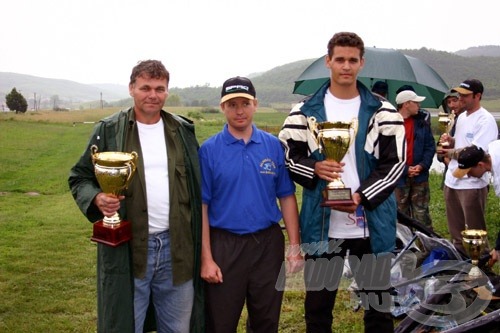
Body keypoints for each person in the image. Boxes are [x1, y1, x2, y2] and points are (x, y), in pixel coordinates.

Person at [279, 32, 406, 333]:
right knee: (318, 308)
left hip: (370, 223)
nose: (345, 66)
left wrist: (361, 196)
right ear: (328, 62)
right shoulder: (303, 112)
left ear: (361, 63)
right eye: (339, 59)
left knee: (377, 308)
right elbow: (288, 156)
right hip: (322, 224)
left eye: (352, 60)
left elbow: (395, 164)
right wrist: (315, 167)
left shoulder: (384, 111)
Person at [68, 60, 204, 333]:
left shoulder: (182, 132)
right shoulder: (109, 130)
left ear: (167, 91)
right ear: (132, 88)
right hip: (129, 249)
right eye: (145, 87)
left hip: (177, 248)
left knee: (178, 328)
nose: (153, 95)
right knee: (125, 324)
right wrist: (96, 198)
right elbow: (80, 176)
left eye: (159, 88)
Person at [199, 76, 303, 333]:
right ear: (223, 107)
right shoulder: (209, 150)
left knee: (266, 321)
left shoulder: (273, 146)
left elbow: (287, 196)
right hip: (225, 245)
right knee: (220, 323)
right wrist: (206, 258)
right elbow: (202, 206)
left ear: (255, 104)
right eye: (231, 104)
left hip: (267, 244)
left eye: (244, 103)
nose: (239, 110)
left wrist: (295, 246)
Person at [438, 79, 498, 253]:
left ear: (477, 96)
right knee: (456, 233)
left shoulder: (485, 120)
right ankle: (461, 265)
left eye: (465, 95)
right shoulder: (462, 117)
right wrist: (451, 140)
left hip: (471, 182)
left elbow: (476, 152)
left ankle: (482, 268)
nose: (461, 98)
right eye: (459, 94)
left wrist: (449, 153)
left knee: (475, 232)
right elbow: (464, 142)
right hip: (452, 179)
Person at [452, 142, 500, 265]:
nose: (467, 175)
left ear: (480, 165)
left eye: (468, 171)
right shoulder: (494, 151)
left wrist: (499, 247)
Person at [394, 90, 436, 228]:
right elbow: (386, 153)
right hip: (398, 178)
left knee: (422, 214)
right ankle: (404, 246)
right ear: (406, 104)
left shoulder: (422, 123)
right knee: (400, 215)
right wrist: (405, 169)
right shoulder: (390, 124)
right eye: (416, 102)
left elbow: (430, 147)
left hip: (420, 176)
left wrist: (422, 165)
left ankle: (426, 246)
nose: (419, 105)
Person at [438, 89, 463, 189]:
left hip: (468, 174)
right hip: (449, 176)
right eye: (449, 102)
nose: (452, 105)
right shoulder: (447, 122)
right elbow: (439, 150)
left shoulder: (473, 121)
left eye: (454, 100)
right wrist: (445, 158)